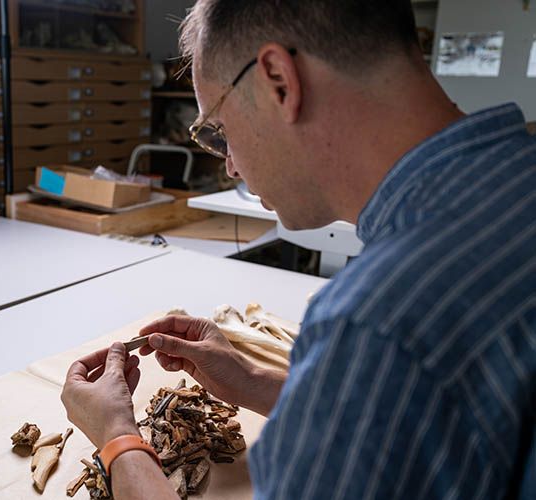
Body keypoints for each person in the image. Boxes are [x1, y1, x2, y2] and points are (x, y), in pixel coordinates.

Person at [61, 1, 536, 498]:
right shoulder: (514, 179)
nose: (230, 167)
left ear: (278, 81)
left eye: (219, 130)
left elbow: (395, 360)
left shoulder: (377, 320)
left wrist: (117, 438)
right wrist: (252, 380)